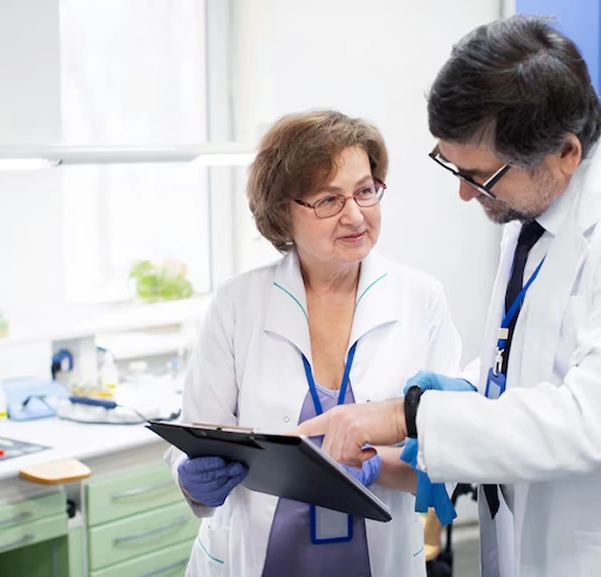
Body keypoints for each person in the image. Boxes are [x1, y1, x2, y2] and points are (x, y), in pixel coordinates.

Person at [294, 16, 601, 577]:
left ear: (564, 152)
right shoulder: (533, 215)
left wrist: (409, 416)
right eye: (452, 165)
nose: (464, 193)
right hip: (539, 533)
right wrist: (470, 387)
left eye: (481, 176)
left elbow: (600, 422)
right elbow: (536, 360)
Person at [164, 109, 462, 577]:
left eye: (365, 190)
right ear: (283, 212)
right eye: (328, 200)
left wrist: (375, 467)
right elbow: (197, 438)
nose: (355, 215)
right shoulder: (238, 303)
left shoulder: (421, 298)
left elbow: (449, 449)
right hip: (256, 558)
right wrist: (192, 480)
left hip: (377, 560)